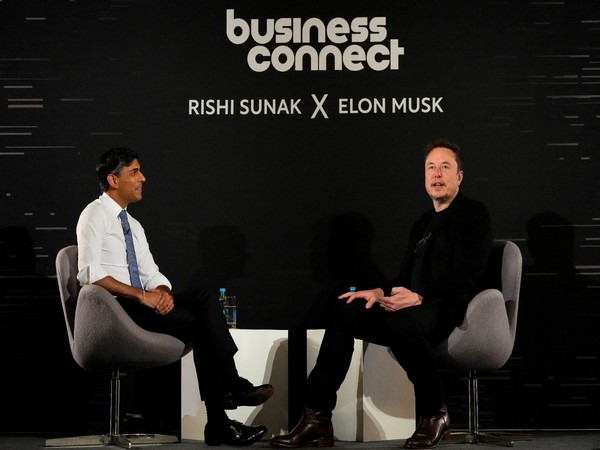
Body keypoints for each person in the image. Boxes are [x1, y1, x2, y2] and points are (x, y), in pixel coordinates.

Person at [271, 138, 492, 449]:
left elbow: (468, 275)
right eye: (431, 167)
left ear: (459, 176)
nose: (437, 173)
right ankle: (317, 416)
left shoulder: (473, 214)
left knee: (401, 323)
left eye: (445, 167)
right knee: (344, 311)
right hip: (414, 308)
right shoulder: (422, 223)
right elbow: (404, 278)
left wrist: (419, 296)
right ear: (424, 176)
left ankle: (435, 413)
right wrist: (377, 291)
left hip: (448, 308)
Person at [76, 147, 274, 446]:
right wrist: (142, 296)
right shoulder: (94, 214)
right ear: (113, 180)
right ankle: (227, 402)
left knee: (205, 298)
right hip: (112, 312)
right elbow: (89, 273)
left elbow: (152, 273)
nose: (143, 178)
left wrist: (163, 292)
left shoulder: (134, 225)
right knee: (200, 324)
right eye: (134, 172)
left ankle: (226, 405)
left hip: (138, 305)